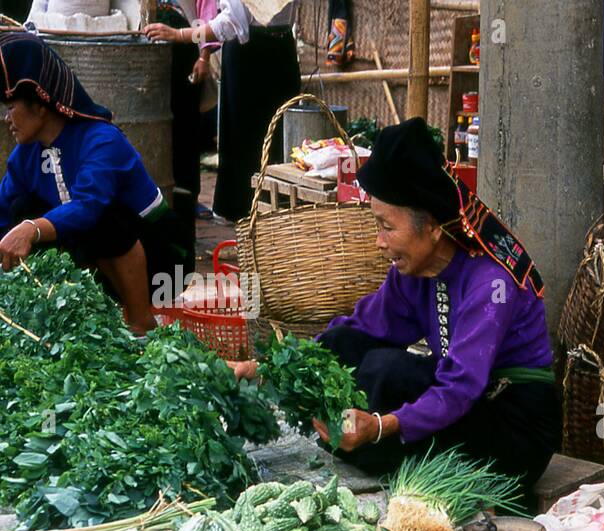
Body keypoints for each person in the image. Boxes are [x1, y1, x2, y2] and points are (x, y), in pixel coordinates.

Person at [231, 119, 560, 492]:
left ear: (432, 226)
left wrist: (379, 426)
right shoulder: (413, 271)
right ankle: (370, 444)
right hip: (470, 402)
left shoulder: (491, 282)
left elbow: (459, 387)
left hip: (515, 425)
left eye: (387, 227)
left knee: (386, 376)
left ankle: (379, 446)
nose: (379, 241)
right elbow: (360, 329)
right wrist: (264, 368)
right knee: (355, 353)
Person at [0, 32, 191, 334]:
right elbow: (4, 213)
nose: (7, 118)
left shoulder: (101, 139)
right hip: (100, 261)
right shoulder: (25, 157)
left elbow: (87, 208)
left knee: (102, 220)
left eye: (11, 107)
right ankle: (87, 315)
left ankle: (140, 321)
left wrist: (31, 229)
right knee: (22, 209)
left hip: (164, 262)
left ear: (40, 104)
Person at [144, 0, 250, 241]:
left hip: (184, 54)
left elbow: (206, 13)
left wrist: (203, 56)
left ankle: (186, 200)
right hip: (147, 56)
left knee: (185, 133)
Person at [209, 5, 300, 221]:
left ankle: (251, 211)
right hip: (279, 46)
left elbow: (232, 23)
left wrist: (184, 34)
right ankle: (266, 210)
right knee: (271, 135)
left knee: (253, 135)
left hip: (251, 53)